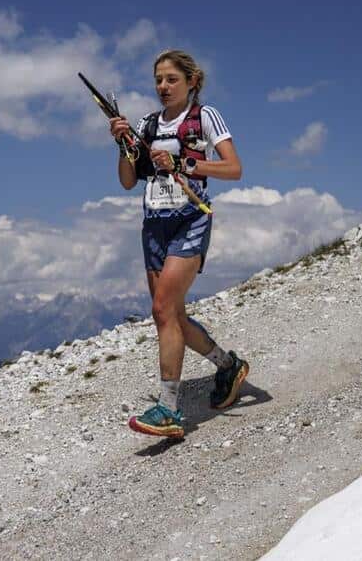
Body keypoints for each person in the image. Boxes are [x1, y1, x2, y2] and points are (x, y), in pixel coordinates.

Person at [109, 49, 249, 439]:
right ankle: (228, 366)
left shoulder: (205, 117)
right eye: (158, 80)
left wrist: (185, 165)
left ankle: (168, 409)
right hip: (153, 224)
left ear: (191, 82)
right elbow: (125, 180)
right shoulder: (147, 124)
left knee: (162, 307)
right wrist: (123, 144)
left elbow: (234, 169)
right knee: (170, 316)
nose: (163, 87)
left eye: (171, 79)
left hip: (190, 218)